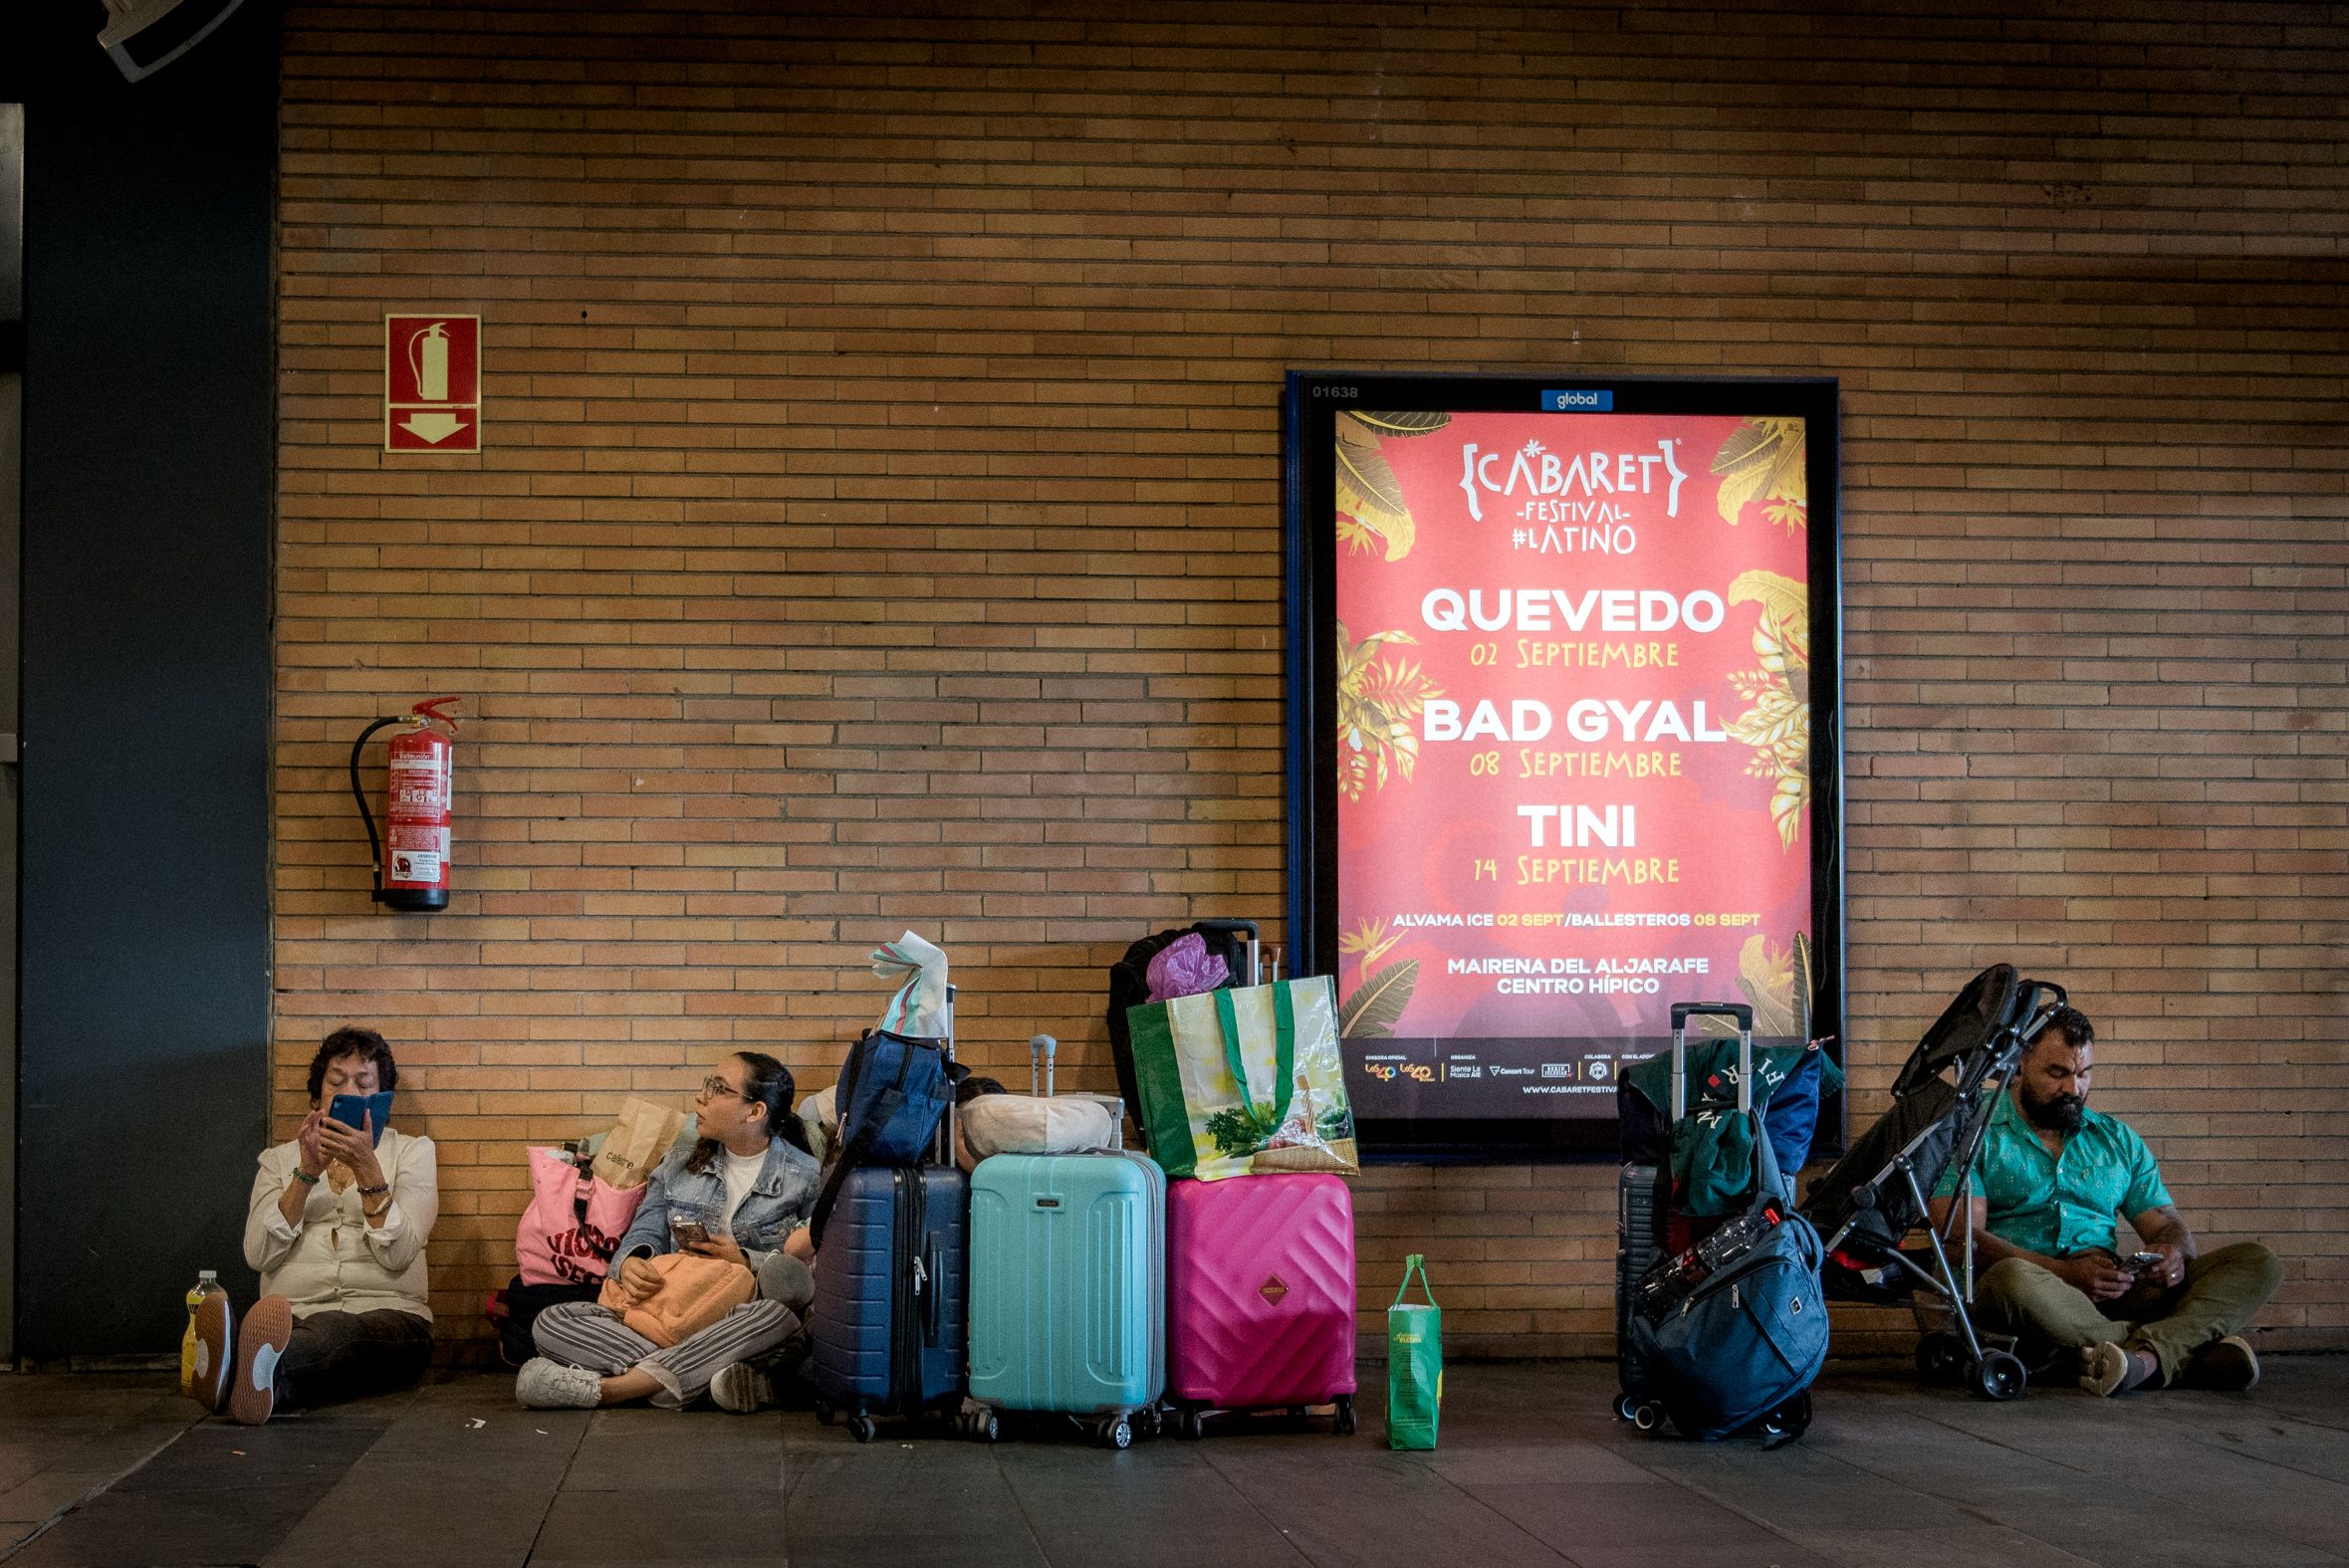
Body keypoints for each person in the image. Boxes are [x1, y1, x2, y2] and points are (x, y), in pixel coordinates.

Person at [1929, 1005, 2281, 1396]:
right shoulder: (1974, 1131)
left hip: (2113, 1291)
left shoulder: (2116, 1139)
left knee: (2255, 1261)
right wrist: (2062, 1272)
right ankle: (2178, 1352)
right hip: (2025, 1290)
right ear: (2020, 1063)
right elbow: (1960, 1240)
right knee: (2013, 1278)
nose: (2073, 1089)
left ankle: (2137, 1359)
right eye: (2057, 1073)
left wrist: (2172, 1254)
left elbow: (2165, 1224)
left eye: (2083, 1074)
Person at [517, 1051, 820, 1413]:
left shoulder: (805, 1177)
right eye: (708, 1084)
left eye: (718, 1089)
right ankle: (705, 1379)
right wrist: (631, 1263)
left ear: (754, 1112)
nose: (701, 1097)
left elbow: (803, 1278)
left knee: (779, 1319)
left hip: (737, 1319)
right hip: (669, 1312)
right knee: (551, 1321)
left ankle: (610, 1390)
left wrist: (744, 1260)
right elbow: (646, 1228)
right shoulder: (680, 1161)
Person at [194, 1026, 439, 1425]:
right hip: (294, 1316)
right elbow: (258, 1254)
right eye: (336, 1082)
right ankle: (262, 1384)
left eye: (364, 1083)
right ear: (317, 1095)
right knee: (316, 1351)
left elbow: (398, 1255)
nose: (348, 1094)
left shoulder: (414, 1152)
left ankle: (233, 1363)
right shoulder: (278, 1160)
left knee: (335, 1333)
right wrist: (305, 1174)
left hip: (392, 1321)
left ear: (382, 1098)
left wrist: (367, 1168)